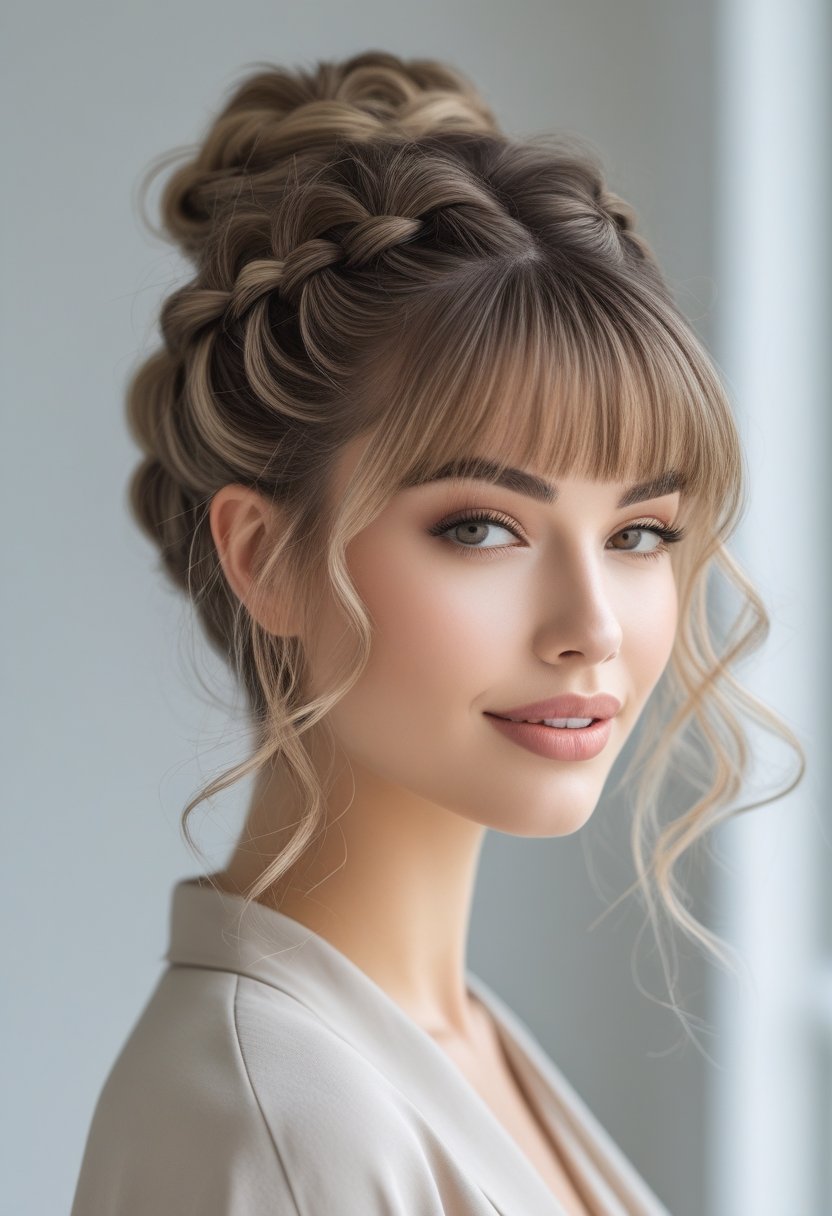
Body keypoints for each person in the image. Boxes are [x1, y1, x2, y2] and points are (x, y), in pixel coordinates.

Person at [70, 49, 804, 1216]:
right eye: (480, 527)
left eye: (638, 532)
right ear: (264, 557)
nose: (589, 627)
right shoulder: (283, 1125)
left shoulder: (435, 1040)